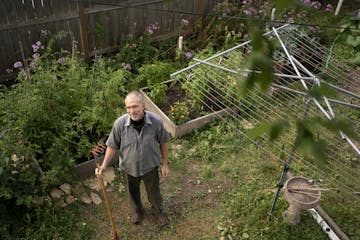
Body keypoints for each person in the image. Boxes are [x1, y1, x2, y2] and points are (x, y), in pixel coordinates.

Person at [95, 90, 170, 226]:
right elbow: (112, 146)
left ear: (143, 105)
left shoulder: (156, 122)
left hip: (150, 167)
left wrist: (165, 163)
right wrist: (104, 165)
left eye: (135, 106)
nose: (131, 110)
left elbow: (164, 141)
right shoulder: (120, 124)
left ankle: (158, 212)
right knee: (132, 192)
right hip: (128, 168)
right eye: (128, 107)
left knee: (154, 192)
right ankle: (138, 211)